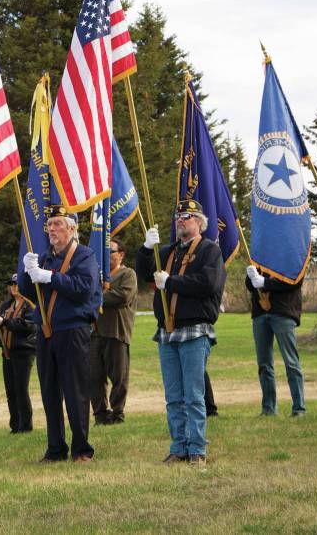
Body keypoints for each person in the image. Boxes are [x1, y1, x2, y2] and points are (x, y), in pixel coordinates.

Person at [136, 200, 225, 469]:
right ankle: (178, 447)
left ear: (200, 222)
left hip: (195, 329)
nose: (181, 220)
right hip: (168, 331)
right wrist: (144, 249)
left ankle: (197, 449)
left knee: (194, 395)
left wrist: (171, 282)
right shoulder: (169, 252)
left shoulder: (210, 251)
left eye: (187, 216)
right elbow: (144, 272)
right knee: (173, 396)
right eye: (178, 216)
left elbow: (208, 283)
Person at [19, 204, 101, 463]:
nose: (52, 229)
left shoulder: (84, 255)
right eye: (50, 224)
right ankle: (55, 448)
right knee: (49, 391)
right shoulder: (44, 258)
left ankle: (81, 449)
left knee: (75, 391)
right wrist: (27, 272)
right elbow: (31, 293)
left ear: (72, 229)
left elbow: (84, 288)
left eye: (58, 224)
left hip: (72, 330)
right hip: (46, 331)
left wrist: (50, 277)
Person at [244, 265, 306, 417]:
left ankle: (299, 408)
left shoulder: (292, 254)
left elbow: (295, 281)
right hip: (260, 313)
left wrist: (265, 282)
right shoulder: (260, 256)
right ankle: (268, 408)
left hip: (283, 311)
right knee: (264, 364)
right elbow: (251, 286)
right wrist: (250, 278)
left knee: (291, 362)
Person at [89, 237, 137, 425]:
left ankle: (117, 413)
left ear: (121, 255)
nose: (106, 256)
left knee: (119, 376)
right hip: (94, 332)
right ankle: (100, 414)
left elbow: (122, 296)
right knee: (94, 376)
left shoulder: (127, 274)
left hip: (117, 331)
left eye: (110, 252)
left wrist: (96, 297)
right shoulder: (97, 277)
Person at [0, 274, 36, 434]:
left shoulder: (30, 305)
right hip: (7, 351)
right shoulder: (7, 305)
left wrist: (4, 321)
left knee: (21, 389)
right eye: (11, 284)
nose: (14, 287)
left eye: (16, 284)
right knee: (11, 390)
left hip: (23, 351)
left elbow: (28, 325)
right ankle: (15, 425)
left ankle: (26, 425)